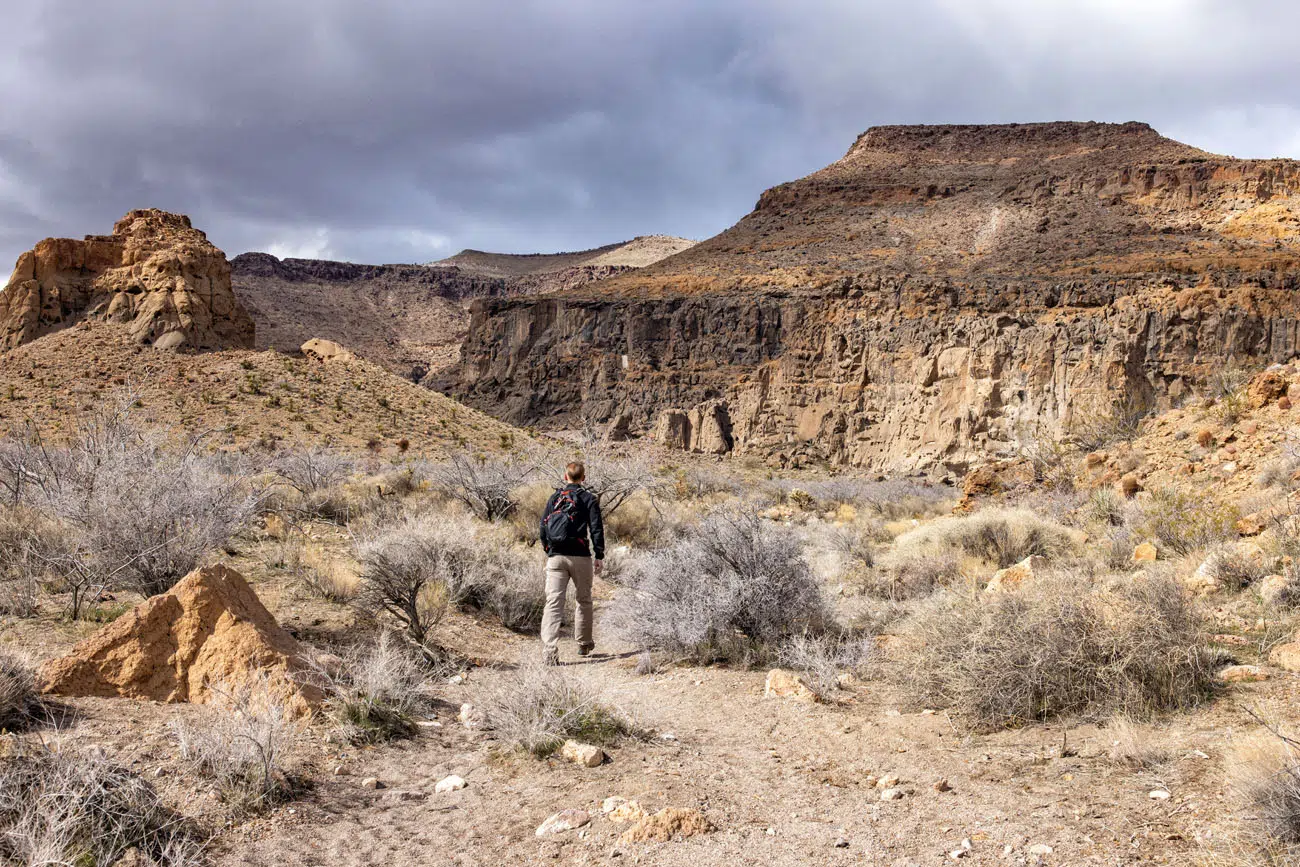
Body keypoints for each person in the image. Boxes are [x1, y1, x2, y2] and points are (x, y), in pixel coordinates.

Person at [538, 460, 604, 665]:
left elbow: (542, 527)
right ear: (583, 478)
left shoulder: (555, 497)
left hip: (556, 557)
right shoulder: (588, 499)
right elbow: (596, 528)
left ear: (565, 476)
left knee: (553, 603)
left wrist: (549, 550)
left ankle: (550, 650)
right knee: (583, 599)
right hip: (581, 556)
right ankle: (583, 644)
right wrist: (599, 554)